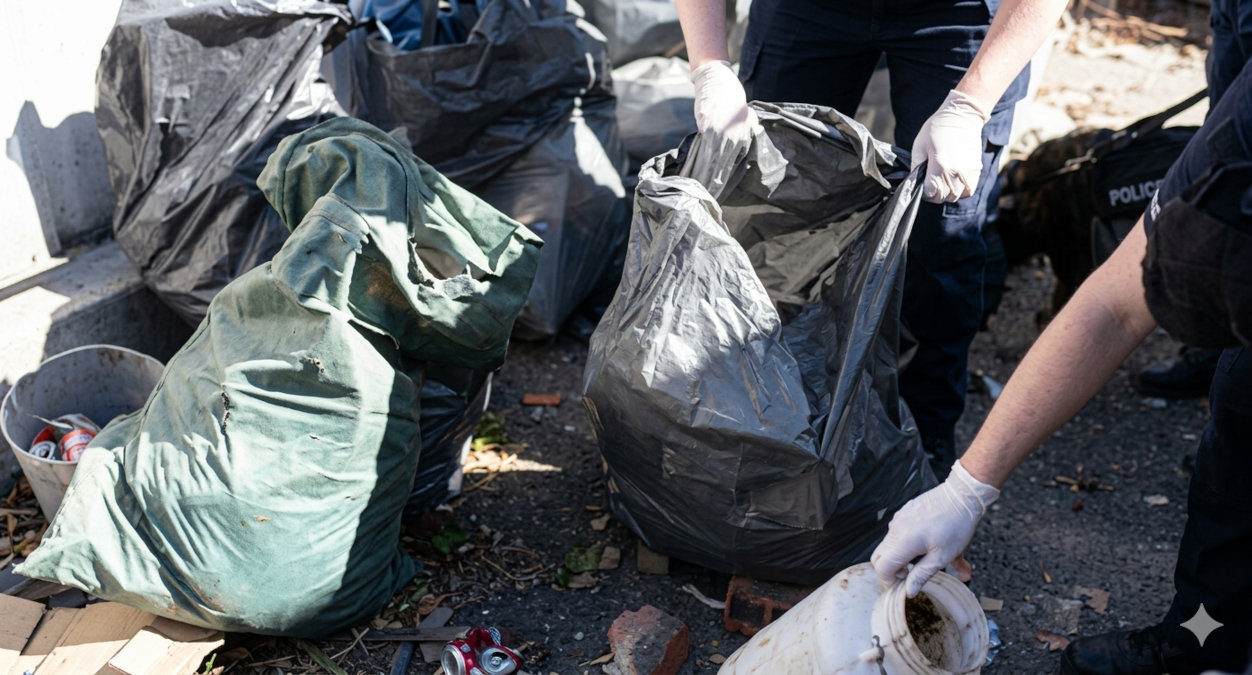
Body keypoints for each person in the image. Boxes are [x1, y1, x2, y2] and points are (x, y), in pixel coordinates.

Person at [870, 50, 1252, 674]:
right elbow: (1111, 309)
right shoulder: (1230, 152)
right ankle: (1205, 641)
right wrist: (966, 491)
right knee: (1238, 425)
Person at [676, 0, 1069, 479]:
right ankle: (766, 414)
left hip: (958, 15)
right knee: (769, 210)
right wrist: (710, 66)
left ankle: (919, 443)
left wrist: (970, 106)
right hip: (807, 10)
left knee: (942, 232)